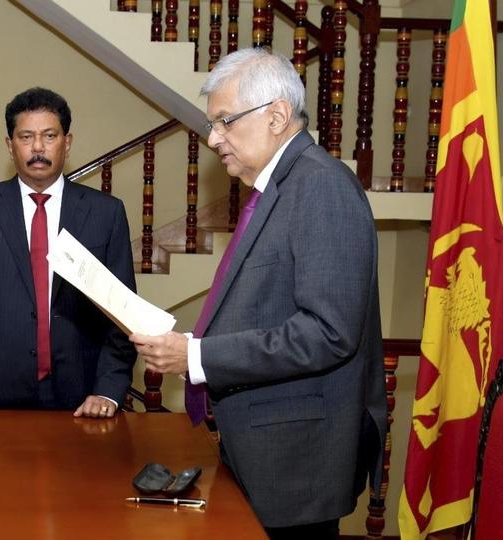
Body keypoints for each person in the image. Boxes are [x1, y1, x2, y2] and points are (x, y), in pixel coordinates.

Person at [130, 49, 387, 539]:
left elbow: (328, 333)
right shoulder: (279, 189)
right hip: (266, 448)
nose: (213, 138)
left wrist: (199, 356)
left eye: (225, 122)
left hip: (297, 460)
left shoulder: (321, 188)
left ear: (276, 115)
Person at [0, 87, 136, 418]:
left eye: (49, 136)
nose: (37, 148)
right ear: (9, 145)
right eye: (26, 136)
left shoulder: (106, 213)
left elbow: (121, 314)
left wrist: (107, 390)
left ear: (67, 142)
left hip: (84, 394)